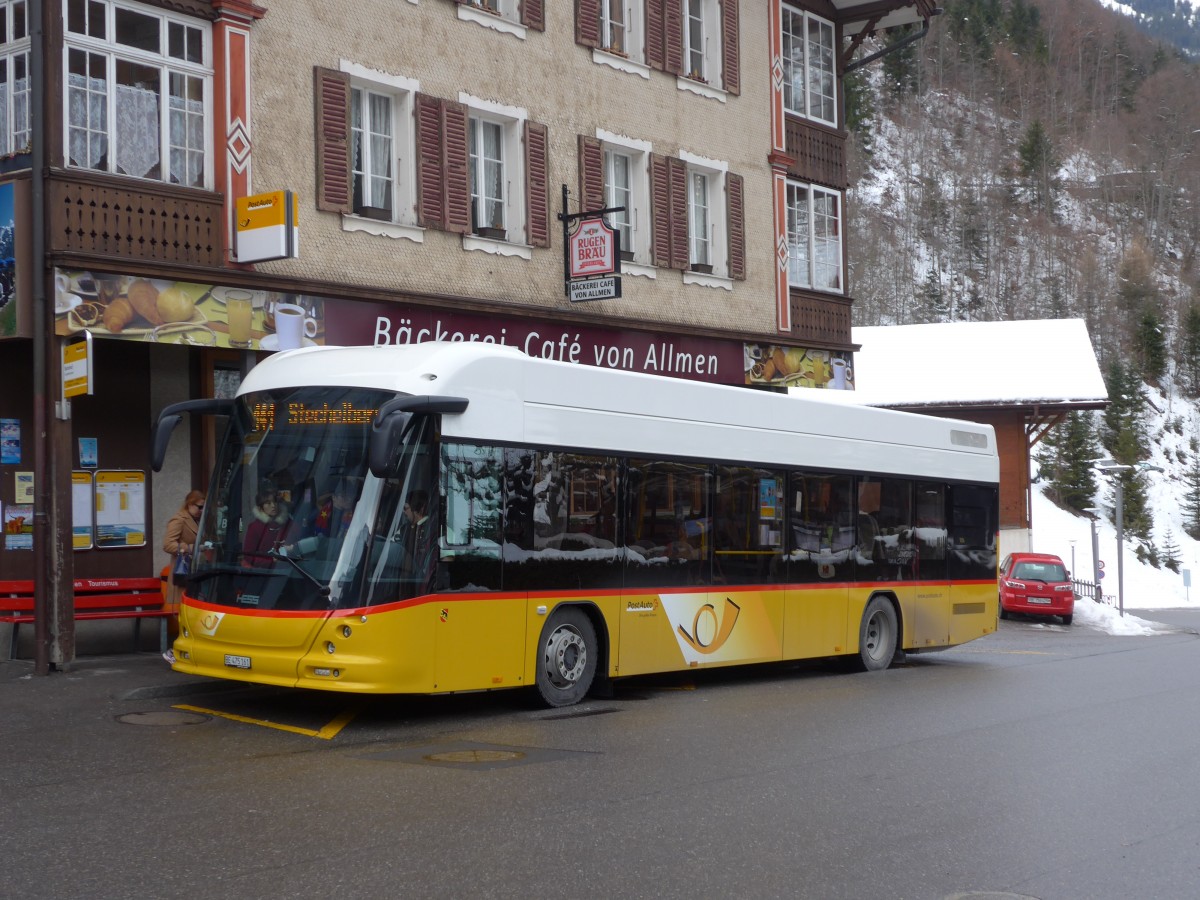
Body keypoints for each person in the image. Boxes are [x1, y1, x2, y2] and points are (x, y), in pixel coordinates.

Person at [161, 489, 203, 663]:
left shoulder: (199, 519)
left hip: (196, 571)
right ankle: (175, 651)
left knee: (195, 615)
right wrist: (190, 548)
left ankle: (184, 651)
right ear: (190, 505)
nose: (202, 510)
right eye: (199, 507)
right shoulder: (179, 519)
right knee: (185, 615)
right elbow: (168, 544)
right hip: (183, 571)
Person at [243, 484, 293, 567]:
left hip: (290, 571)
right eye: (268, 503)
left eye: (275, 502)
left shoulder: (289, 524)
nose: (273, 506)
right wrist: (272, 561)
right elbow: (248, 556)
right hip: (264, 574)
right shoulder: (255, 527)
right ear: (260, 508)